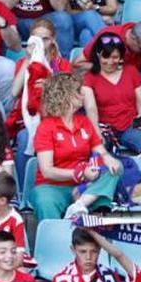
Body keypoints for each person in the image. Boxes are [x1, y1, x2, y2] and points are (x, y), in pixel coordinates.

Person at [32, 71, 122, 220]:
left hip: (84, 187)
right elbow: (47, 171)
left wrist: (108, 159)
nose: (83, 94)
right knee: (44, 200)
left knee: (116, 167)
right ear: (65, 95)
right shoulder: (46, 127)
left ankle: (79, 205)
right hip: (52, 186)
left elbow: (101, 152)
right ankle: (56, 239)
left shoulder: (84, 122)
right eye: (78, 91)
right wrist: (78, 173)